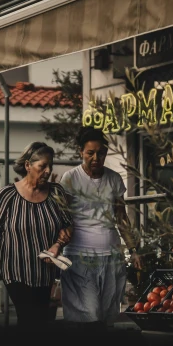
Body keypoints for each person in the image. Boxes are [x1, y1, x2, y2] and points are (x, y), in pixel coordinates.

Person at [0, 142, 72, 328]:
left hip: (45, 270)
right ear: (28, 165)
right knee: (28, 317)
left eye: (50, 166)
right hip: (15, 268)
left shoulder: (56, 193)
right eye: (42, 166)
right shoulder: (8, 194)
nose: (47, 170)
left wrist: (58, 245)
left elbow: (68, 226)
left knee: (40, 319)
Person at [59, 127, 142, 329]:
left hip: (111, 257)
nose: (96, 157)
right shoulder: (70, 179)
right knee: (89, 313)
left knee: (107, 314)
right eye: (90, 153)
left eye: (101, 153)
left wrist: (133, 249)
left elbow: (121, 217)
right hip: (79, 256)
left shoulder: (114, 179)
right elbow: (62, 217)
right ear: (81, 152)